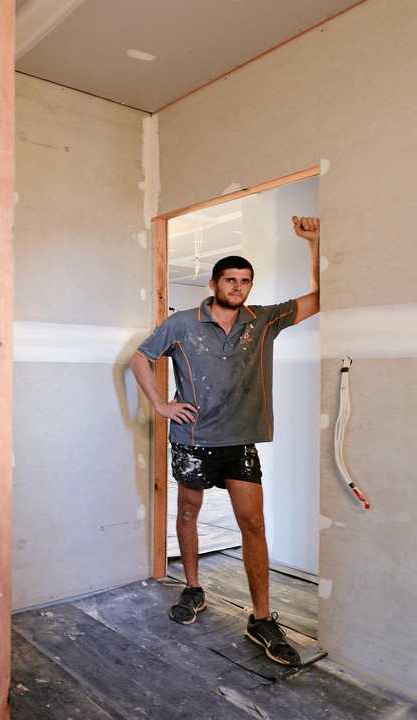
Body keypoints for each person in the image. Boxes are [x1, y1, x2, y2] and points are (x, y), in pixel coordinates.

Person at [130, 216, 321, 666]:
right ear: (214, 282)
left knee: (253, 525)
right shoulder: (182, 324)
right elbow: (141, 359)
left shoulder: (265, 320)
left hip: (240, 443)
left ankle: (260, 617)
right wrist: (161, 404)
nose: (238, 287)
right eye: (231, 279)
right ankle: (193, 590)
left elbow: (321, 299)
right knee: (189, 513)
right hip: (194, 439)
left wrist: (314, 243)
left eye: (245, 281)